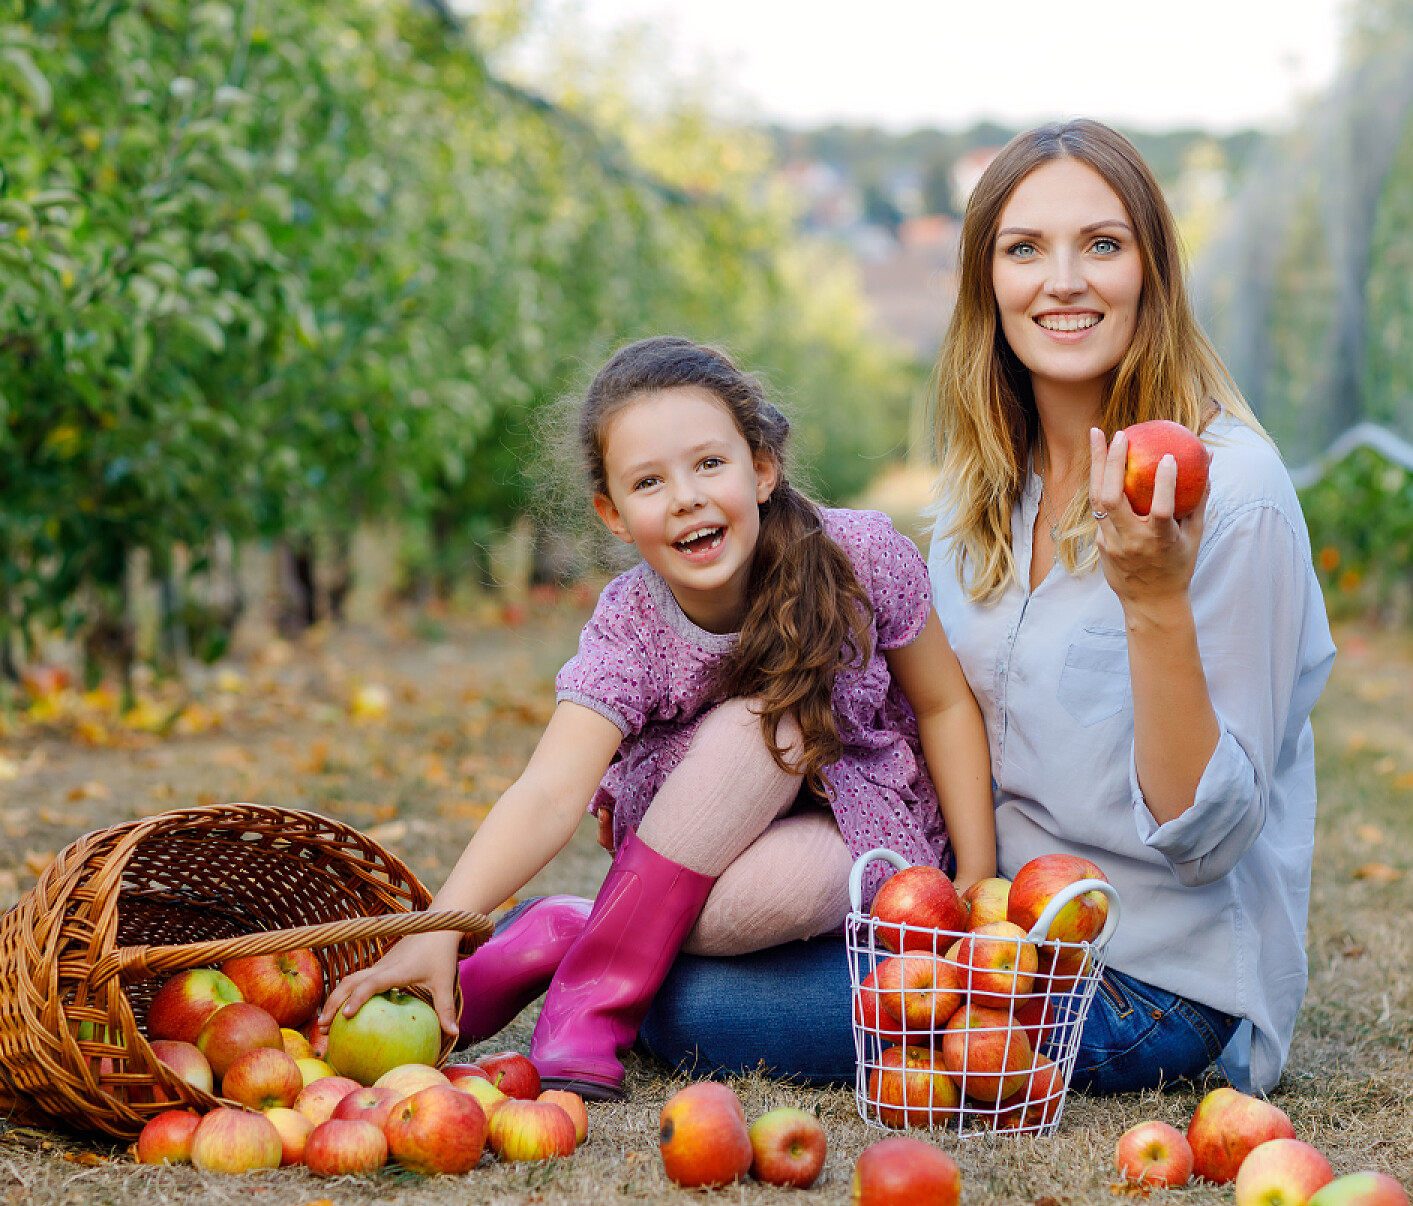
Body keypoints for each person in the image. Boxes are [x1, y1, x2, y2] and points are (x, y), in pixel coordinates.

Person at [640, 119, 1334, 1097]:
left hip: (1143, 982)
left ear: (1152, 273)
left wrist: (1154, 600)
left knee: (695, 1009)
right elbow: (931, 719)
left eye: (1102, 243)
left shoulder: (1233, 492)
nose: (1063, 280)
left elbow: (1209, 835)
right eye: (1024, 249)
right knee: (679, 952)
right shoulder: (982, 502)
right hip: (987, 921)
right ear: (988, 284)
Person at [318, 336, 996, 1101]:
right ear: (612, 512)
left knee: (809, 884)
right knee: (768, 725)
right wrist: (437, 928)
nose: (686, 496)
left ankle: (571, 929)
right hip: (691, 829)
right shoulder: (632, 625)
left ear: (762, 468)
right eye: (648, 482)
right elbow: (549, 791)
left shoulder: (860, 556)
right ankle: (593, 1000)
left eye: (710, 464)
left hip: (851, 826)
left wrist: (973, 873)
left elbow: (943, 706)